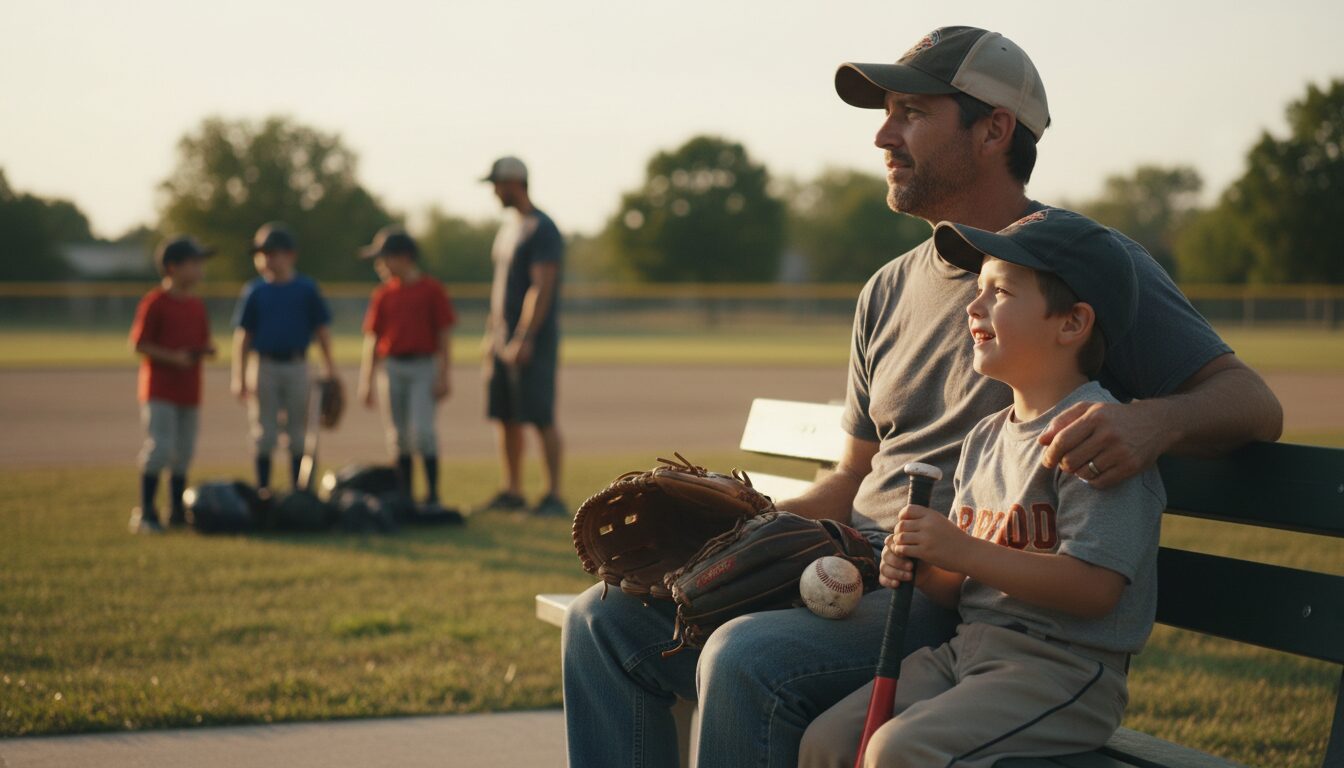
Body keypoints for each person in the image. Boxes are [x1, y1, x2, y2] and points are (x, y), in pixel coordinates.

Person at [561, 25, 1282, 768]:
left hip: (955, 601)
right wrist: (744, 535)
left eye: (911, 112)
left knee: (749, 658)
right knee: (606, 622)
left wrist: (1150, 423)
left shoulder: (1084, 268)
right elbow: (852, 477)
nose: (882, 135)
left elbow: (1251, 402)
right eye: (887, 113)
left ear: (993, 130)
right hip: (847, 567)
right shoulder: (887, 288)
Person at [800, 209, 1163, 767]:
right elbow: (961, 586)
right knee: (828, 742)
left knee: (899, 750)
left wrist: (961, 549)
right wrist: (922, 563)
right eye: (978, 290)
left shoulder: (1096, 436)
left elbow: (1096, 590)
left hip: (1063, 671)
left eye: (1000, 292)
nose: (974, 306)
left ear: (1071, 324)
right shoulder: (987, 437)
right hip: (969, 651)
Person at [477, 156, 567, 518]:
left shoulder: (541, 228)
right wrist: (491, 338)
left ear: (516, 182)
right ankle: (512, 490)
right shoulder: (508, 228)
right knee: (505, 415)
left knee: (539, 416)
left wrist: (525, 336)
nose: (494, 191)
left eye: (497, 184)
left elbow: (541, 287)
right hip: (501, 339)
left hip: (531, 340)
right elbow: (501, 291)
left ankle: (553, 495)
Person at [230, 222, 338, 495]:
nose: (266, 258)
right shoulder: (255, 291)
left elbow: (322, 331)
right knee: (264, 433)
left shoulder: (306, 288)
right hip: (263, 365)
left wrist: (330, 367)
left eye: (272, 252)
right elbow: (243, 337)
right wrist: (239, 376)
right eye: (262, 253)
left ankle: (298, 492)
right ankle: (264, 489)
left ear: (291, 255)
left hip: (298, 364)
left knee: (298, 433)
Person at [357, 225, 457, 511]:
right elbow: (372, 339)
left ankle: (433, 495)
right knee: (398, 436)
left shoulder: (431, 289)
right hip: (391, 368)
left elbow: (443, 335)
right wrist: (366, 381)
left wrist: (444, 374)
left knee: (423, 432)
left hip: (423, 366)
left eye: (384, 258)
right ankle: (405, 497)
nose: (380, 265)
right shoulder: (383, 294)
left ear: (404, 257)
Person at [128, 235, 215, 534]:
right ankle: (146, 513)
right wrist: (174, 358)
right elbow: (139, 344)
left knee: (184, 452)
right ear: (172, 267)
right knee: (161, 448)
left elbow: (202, 341)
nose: (200, 269)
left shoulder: (196, 305)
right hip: (160, 388)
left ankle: (176, 511)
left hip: (189, 389)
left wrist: (204, 351)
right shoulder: (155, 302)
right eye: (194, 263)